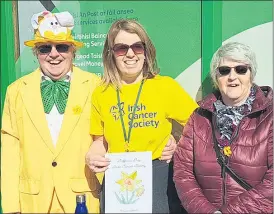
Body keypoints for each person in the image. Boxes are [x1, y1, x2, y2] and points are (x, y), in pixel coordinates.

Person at [85, 19, 198, 213]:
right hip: (117, 179)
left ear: (146, 52)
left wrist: (178, 145)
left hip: (158, 177)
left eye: (137, 47)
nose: (130, 54)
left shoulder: (165, 86)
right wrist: (92, 155)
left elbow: (200, 128)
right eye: (121, 48)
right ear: (111, 54)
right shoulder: (101, 93)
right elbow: (101, 139)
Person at [1, 11, 103, 213]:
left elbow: (113, 134)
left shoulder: (95, 86)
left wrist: (165, 141)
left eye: (62, 47)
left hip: (82, 200)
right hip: (33, 202)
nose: (54, 54)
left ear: (73, 51)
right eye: (44, 48)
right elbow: (10, 153)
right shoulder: (16, 91)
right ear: (36, 53)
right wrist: (12, 206)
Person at [173, 42, 273, 213]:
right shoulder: (199, 118)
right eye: (224, 70)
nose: (232, 76)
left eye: (241, 69)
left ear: (251, 74)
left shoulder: (269, 116)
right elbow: (183, 172)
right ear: (216, 77)